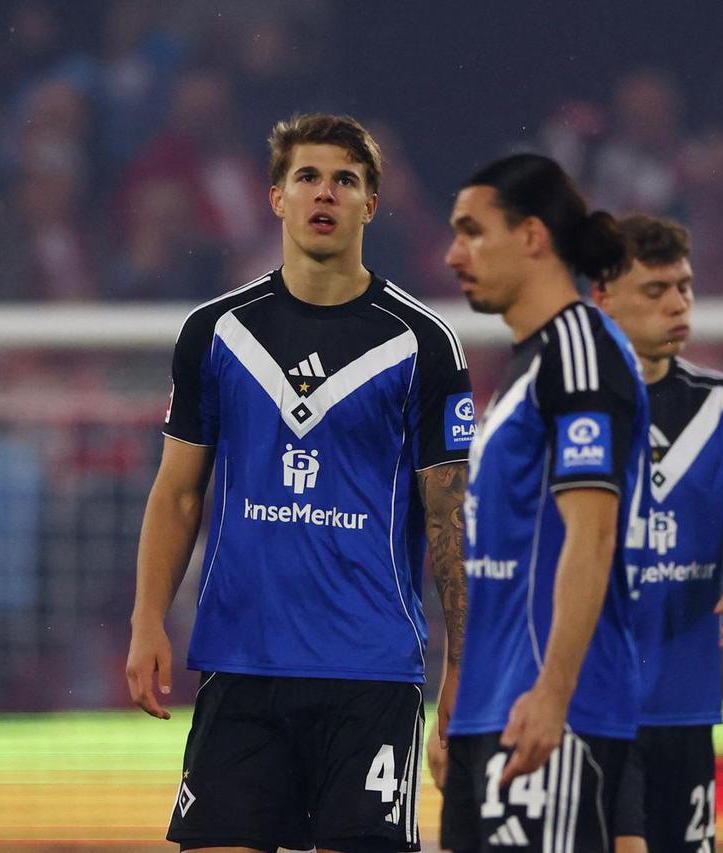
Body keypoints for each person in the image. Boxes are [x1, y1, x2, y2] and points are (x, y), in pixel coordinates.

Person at [125, 113, 472, 853]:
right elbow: (180, 491)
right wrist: (147, 618)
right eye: (307, 176)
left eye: (346, 180)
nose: (325, 192)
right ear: (276, 197)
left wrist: (461, 671)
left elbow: (450, 518)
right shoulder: (216, 331)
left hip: (370, 676)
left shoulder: (422, 344)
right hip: (243, 667)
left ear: (370, 205)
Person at [438, 153, 651, 851]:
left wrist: (554, 693)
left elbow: (592, 536)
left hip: (548, 712)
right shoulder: (526, 364)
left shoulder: (581, 353)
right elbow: (496, 557)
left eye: (472, 231)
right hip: (490, 714)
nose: (452, 254)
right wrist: (458, 700)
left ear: (532, 236)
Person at [589, 215, 723, 853]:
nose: (678, 305)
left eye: (686, 287)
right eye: (655, 290)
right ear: (604, 298)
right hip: (592, 707)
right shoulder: (563, 409)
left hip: (685, 707)